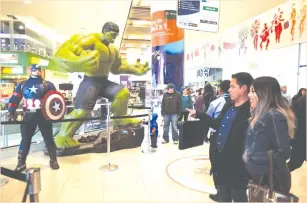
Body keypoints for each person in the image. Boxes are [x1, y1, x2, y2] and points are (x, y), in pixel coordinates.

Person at [46, 21, 150, 149]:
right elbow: (61, 54)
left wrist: (136, 70)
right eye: (112, 34)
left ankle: (119, 119)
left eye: (116, 35)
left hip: (104, 82)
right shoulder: (89, 40)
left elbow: (117, 68)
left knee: (122, 93)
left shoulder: (112, 49)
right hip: (90, 81)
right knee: (82, 112)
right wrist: (78, 62)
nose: (113, 38)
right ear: (104, 31)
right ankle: (62, 137)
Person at [187, 72, 254, 202]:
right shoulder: (228, 105)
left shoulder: (250, 111)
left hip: (238, 166)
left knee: (239, 197)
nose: (229, 90)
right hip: (221, 161)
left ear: (243, 88)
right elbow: (217, 124)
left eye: (233, 86)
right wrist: (199, 114)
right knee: (223, 196)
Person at [243, 76, 295, 195]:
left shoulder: (273, 116)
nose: (249, 95)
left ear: (265, 94)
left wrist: (251, 156)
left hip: (270, 180)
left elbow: (283, 151)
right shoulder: (261, 115)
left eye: (253, 91)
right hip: (259, 178)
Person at [8, 64, 60, 172]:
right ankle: (21, 163)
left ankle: (53, 160)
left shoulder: (48, 84)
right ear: (30, 70)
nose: (37, 71)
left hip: (44, 115)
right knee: (25, 140)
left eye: (39, 69)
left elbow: (56, 100)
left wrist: (57, 113)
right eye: (35, 69)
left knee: (49, 138)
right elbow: (14, 99)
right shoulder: (22, 84)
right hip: (29, 116)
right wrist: (10, 112)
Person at [205, 80, 231, 201]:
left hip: (216, 138)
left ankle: (221, 193)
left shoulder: (216, 103)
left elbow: (208, 119)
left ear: (220, 90)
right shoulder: (237, 104)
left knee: (216, 165)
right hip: (232, 139)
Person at [288, 95, 306, 172]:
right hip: (301, 139)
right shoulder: (303, 102)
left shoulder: (302, 101)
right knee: (294, 163)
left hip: (299, 139)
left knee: (294, 163)